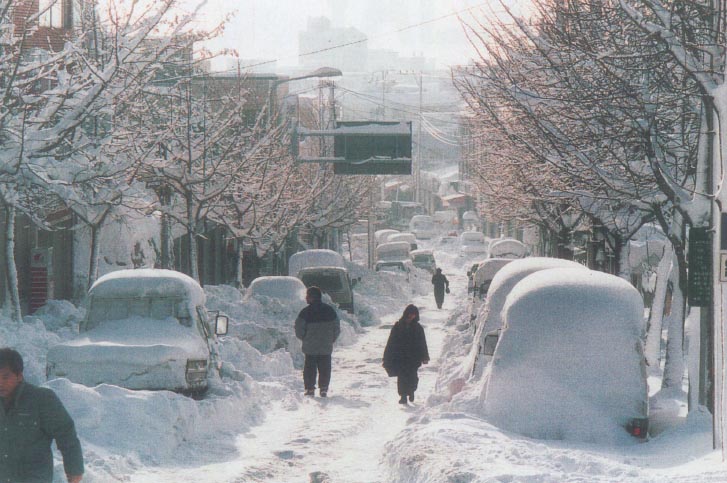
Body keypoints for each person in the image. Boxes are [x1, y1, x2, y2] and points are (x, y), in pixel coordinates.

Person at [0, 348, 84, 483]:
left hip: (33, 477)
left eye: (5, 377)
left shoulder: (41, 399)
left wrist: (74, 469)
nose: (0, 383)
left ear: (19, 375)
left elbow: (66, 434)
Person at [295, 286, 341, 397]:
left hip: (310, 347)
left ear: (312, 297)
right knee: (325, 368)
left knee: (310, 368)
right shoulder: (330, 310)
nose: (306, 298)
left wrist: (305, 338)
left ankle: (310, 388)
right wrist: (331, 339)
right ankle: (324, 388)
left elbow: (299, 329)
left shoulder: (305, 312)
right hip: (326, 346)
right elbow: (337, 328)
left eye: (308, 296)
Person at [382, 304, 430, 405]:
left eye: (413, 315)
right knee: (402, 376)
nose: (411, 317)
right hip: (401, 356)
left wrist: (425, 357)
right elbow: (391, 342)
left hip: (413, 357)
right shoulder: (398, 326)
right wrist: (388, 356)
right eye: (409, 315)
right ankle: (403, 396)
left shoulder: (418, 328)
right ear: (406, 314)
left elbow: (422, 343)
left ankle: (411, 391)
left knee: (413, 376)